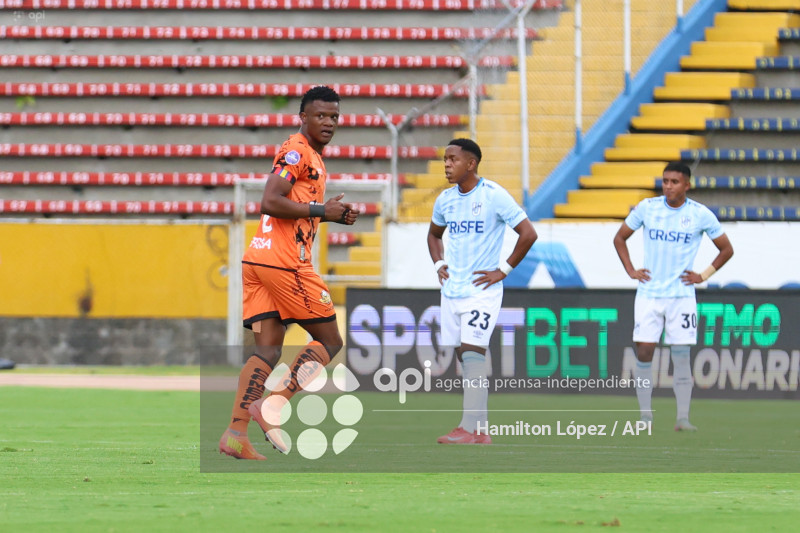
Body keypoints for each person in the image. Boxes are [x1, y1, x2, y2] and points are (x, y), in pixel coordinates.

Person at [219, 86, 360, 459]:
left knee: (267, 351)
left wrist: (331, 214)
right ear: (303, 118)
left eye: (334, 116)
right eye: (320, 115)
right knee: (330, 341)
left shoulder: (311, 155)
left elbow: (294, 206)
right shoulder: (296, 150)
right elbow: (270, 199)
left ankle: (236, 433)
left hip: (259, 262)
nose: (328, 122)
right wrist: (319, 211)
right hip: (284, 264)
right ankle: (274, 404)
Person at [427, 138, 537, 444]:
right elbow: (434, 235)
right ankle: (480, 430)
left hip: (482, 291)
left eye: (453, 159)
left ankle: (467, 427)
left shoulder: (494, 196)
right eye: (445, 159)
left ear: (471, 163)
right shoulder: (445, 200)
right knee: (465, 356)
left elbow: (528, 233)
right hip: (452, 290)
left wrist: (504, 270)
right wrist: (439, 264)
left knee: (473, 353)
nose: (447, 165)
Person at [613, 161, 733, 431]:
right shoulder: (647, 207)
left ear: (687, 185)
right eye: (665, 181)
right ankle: (645, 416)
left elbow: (726, 249)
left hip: (681, 296)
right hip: (649, 294)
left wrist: (703, 275)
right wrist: (631, 270)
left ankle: (682, 418)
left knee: (681, 355)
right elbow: (620, 238)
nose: (668, 186)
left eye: (674, 182)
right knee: (643, 351)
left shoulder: (700, 214)